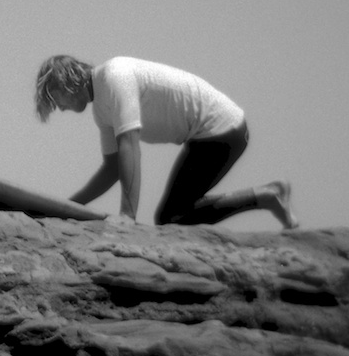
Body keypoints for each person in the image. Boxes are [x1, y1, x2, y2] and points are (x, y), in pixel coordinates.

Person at [35, 55, 297, 228]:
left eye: (55, 99)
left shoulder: (115, 76)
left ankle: (266, 195)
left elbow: (130, 146)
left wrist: (127, 216)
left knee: (171, 217)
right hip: (204, 137)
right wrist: (69, 208)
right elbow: (112, 168)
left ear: (67, 82)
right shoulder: (102, 109)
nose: (59, 108)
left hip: (223, 129)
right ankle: (267, 195)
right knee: (173, 216)